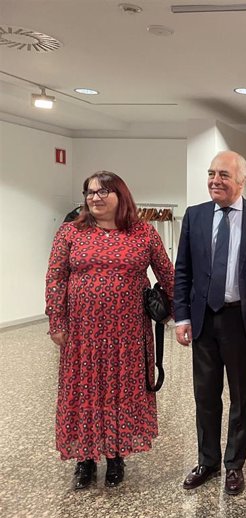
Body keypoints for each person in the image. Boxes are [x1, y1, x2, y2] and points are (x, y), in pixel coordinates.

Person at [45, 171, 175, 490]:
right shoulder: (70, 233)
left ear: (121, 196)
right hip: (82, 334)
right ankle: (85, 460)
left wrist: (175, 312)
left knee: (121, 393)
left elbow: (169, 275)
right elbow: (55, 278)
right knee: (84, 393)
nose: (95, 197)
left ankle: (116, 456)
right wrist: (56, 321)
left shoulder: (143, 233)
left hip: (128, 335)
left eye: (104, 191)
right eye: (90, 192)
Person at [173, 151, 246, 495]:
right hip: (203, 320)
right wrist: (182, 316)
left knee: (240, 397)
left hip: (242, 320)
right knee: (205, 395)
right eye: (211, 174)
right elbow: (183, 270)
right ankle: (207, 461)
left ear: (241, 180)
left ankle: (234, 465)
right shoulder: (195, 216)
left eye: (223, 175)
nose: (215, 181)